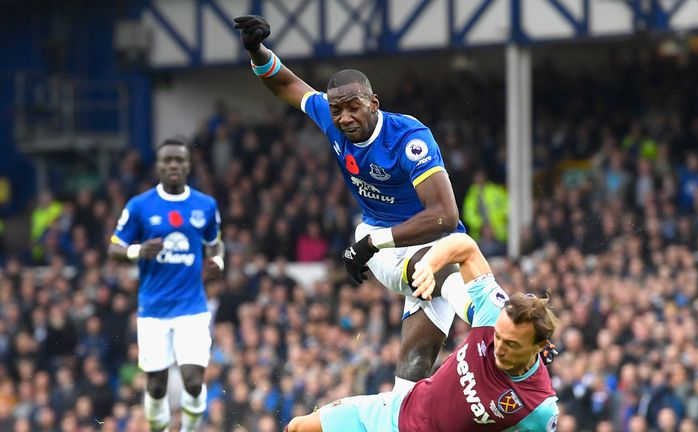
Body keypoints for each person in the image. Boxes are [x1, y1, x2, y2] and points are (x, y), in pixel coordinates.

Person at [234, 15, 477, 391]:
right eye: (337, 110)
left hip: (412, 241)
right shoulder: (330, 118)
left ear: (373, 103)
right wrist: (255, 50)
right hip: (383, 240)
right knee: (441, 270)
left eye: (354, 108)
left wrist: (366, 246)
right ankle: (496, 326)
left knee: (411, 377)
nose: (344, 118)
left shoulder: (409, 138)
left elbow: (445, 216)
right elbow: (284, 83)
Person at [286, 232, 560, 431]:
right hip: (396, 413)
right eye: (498, 337)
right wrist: (428, 266)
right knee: (300, 427)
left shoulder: (539, 406)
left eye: (511, 344)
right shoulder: (492, 311)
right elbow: (465, 246)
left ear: (539, 346)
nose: (498, 347)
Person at [108, 138, 224, 432]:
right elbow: (114, 248)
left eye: (179, 160)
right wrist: (137, 250)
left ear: (188, 165)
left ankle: (189, 429)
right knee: (157, 385)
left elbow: (215, 245)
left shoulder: (205, 205)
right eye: (167, 161)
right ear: (158, 167)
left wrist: (218, 263)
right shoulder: (139, 206)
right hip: (153, 309)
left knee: (194, 380)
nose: (173, 165)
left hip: (192, 307)